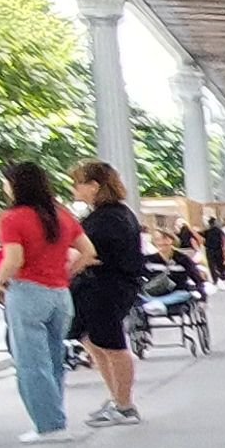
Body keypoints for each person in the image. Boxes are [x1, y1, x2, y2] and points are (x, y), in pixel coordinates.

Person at [0, 160, 88, 441]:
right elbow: (87, 251)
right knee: (54, 359)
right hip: (60, 294)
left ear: (16, 185)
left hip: (27, 291)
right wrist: (66, 273)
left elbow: (14, 259)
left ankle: (48, 425)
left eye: (6, 182)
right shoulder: (61, 215)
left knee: (30, 362)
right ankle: (55, 416)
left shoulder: (11, 218)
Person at [69, 159, 146, 425]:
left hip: (108, 286)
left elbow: (92, 253)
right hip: (103, 285)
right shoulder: (111, 214)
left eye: (78, 183)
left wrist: (72, 268)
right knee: (95, 342)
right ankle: (117, 397)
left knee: (112, 345)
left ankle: (124, 404)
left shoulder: (108, 217)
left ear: (94, 185)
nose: (74, 189)